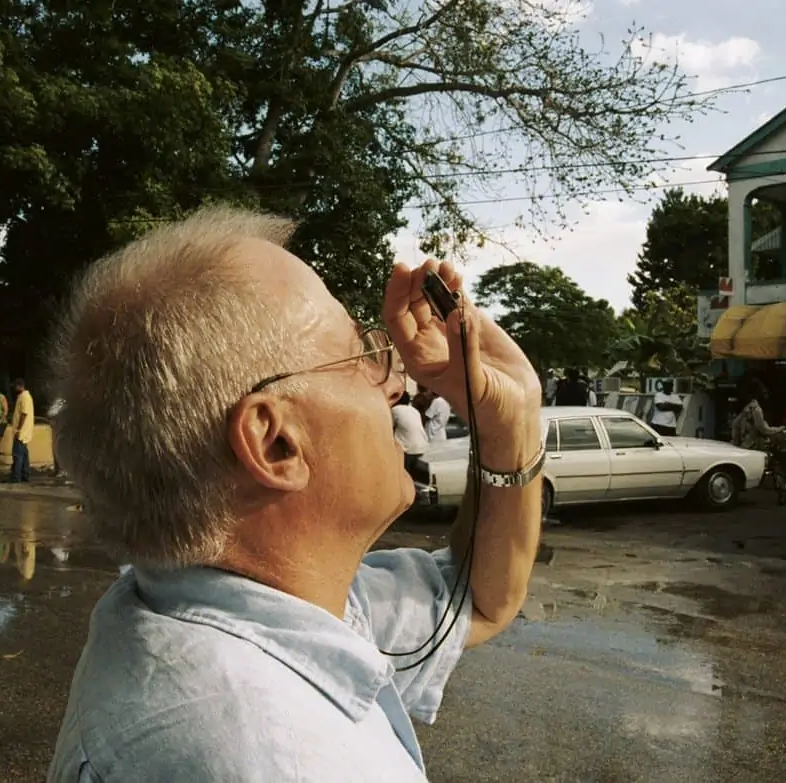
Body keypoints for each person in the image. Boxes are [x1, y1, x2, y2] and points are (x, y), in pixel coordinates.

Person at [45, 206, 543, 782]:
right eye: (363, 355)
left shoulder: (226, 602)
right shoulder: (274, 760)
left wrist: (511, 418)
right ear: (277, 443)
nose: (397, 383)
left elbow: (481, 601)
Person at [731, 379, 786, 452]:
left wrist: (736, 442)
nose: (767, 395)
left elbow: (735, 424)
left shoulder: (748, 407)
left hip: (744, 443)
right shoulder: (756, 409)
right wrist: (779, 429)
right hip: (753, 445)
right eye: (765, 393)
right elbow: (763, 429)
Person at [392, 391, 429, 473]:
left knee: (403, 476)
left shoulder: (395, 410)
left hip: (407, 451)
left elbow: (387, 428)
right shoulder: (414, 410)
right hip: (422, 448)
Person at [9, 378, 34, 483]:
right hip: (24, 431)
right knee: (24, 455)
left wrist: (18, 429)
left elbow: (24, 414)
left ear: (20, 386)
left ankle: (16, 477)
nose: (14, 389)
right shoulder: (22, 396)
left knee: (18, 455)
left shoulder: (25, 397)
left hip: (21, 432)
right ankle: (25, 475)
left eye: (15, 387)